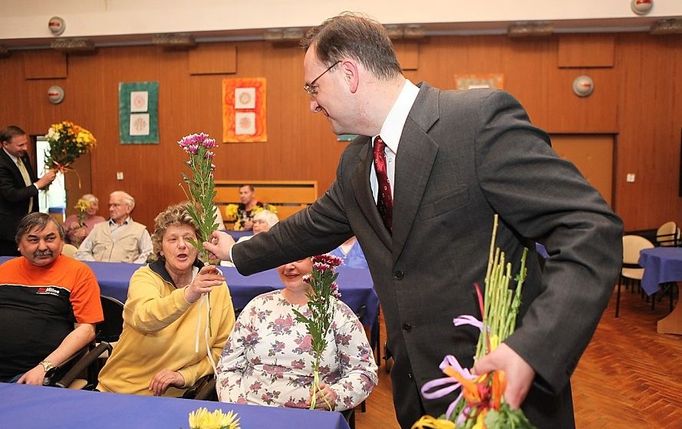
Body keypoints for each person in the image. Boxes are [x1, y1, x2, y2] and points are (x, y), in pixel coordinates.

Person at [205, 13, 624, 429]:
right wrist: (236, 251)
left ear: (348, 73)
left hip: (503, 388)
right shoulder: (355, 162)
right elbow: (310, 226)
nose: (313, 102)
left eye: (314, 87)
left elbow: (589, 227)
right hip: (419, 397)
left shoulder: (476, 122)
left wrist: (532, 349)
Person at [97, 203, 235, 397]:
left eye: (189, 238)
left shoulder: (215, 285)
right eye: (172, 239)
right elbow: (144, 318)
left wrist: (185, 376)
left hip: (178, 398)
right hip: (122, 390)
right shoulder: (145, 277)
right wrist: (189, 294)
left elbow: (223, 349)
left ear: (198, 245)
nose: (182, 245)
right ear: (160, 248)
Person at [216, 256, 377, 410]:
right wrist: (238, 407)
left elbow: (364, 371)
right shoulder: (257, 307)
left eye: (299, 259)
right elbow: (228, 368)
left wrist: (335, 395)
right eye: (283, 259)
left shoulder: (338, 314)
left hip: (310, 415)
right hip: (251, 411)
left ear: (316, 262)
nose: (289, 266)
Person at [0, 212, 103, 384]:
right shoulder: (5, 270)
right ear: (19, 245)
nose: (42, 247)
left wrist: (45, 367)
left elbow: (86, 330)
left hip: (35, 374)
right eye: (33, 240)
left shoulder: (78, 273)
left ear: (62, 242)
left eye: (50, 239)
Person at [0, 125, 57, 256]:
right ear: (5, 144)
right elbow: (11, 194)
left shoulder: (23, 156)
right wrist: (39, 184)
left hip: (29, 221)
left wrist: (44, 181)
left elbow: (26, 183)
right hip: (9, 227)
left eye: (25, 144)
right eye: (20, 145)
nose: (25, 148)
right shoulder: (2, 163)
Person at [75, 190, 153, 263]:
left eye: (116, 205)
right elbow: (81, 252)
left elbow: (149, 254)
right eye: (110, 205)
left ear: (128, 208)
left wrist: (132, 268)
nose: (111, 209)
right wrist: (96, 265)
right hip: (97, 274)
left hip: (126, 275)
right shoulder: (98, 228)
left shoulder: (140, 230)